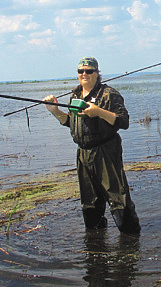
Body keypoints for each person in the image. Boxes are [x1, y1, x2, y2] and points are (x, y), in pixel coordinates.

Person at [43, 57, 141, 234]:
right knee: (90, 202)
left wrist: (98, 112)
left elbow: (124, 122)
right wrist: (55, 111)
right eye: (81, 71)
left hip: (106, 152)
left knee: (118, 199)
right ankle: (95, 240)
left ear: (97, 73)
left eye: (89, 71)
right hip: (83, 154)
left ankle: (131, 239)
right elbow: (70, 123)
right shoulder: (75, 95)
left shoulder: (109, 94)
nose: (84, 74)